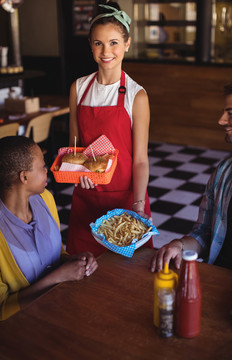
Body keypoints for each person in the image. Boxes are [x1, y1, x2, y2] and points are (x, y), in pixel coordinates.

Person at [150, 80, 232, 331]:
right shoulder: (224, 171)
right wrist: (179, 245)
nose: (221, 120)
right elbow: (203, 233)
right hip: (216, 283)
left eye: (230, 113)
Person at [66, 1, 153, 257]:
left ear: (127, 44)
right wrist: (76, 173)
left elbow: (140, 160)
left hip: (124, 201)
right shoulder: (78, 88)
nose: (106, 51)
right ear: (90, 44)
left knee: (128, 276)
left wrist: (137, 206)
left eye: (114, 42)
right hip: (87, 197)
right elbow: (74, 147)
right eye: (98, 43)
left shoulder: (136, 96)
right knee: (81, 273)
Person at [0, 136, 98, 321]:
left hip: (63, 307)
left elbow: (57, 255)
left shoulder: (45, 199)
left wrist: (74, 261)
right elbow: (2, 309)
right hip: (24, 328)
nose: (48, 171)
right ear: (24, 177)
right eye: (43, 166)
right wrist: (56, 278)